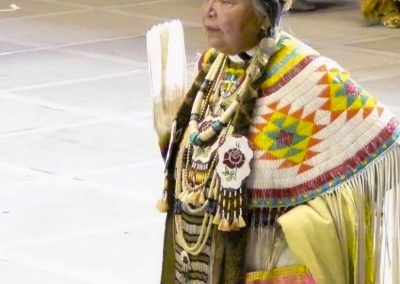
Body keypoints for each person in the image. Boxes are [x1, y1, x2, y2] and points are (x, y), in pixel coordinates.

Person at [153, 0, 400, 283]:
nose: (210, 10)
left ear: (263, 16)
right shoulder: (210, 67)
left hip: (269, 266)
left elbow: (386, 138)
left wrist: (306, 224)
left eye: (228, 2)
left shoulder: (310, 75)